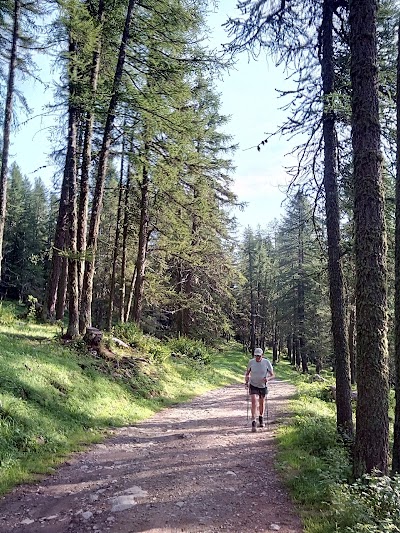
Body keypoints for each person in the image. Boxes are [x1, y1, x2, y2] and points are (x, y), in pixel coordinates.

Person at [245, 347, 275, 432]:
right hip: (253, 384)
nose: (257, 357)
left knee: (262, 403)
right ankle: (253, 421)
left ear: (262, 355)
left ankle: (261, 417)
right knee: (254, 401)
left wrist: (268, 379)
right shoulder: (251, 362)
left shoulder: (266, 362)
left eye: (259, 356)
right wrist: (246, 381)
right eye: (256, 356)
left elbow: (273, 375)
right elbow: (247, 373)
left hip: (263, 385)